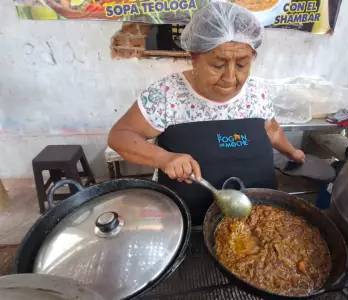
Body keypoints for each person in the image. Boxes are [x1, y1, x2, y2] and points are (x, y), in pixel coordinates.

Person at [108, 2, 305, 225]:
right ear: (194, 57)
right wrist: (163, 158)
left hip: (260, 216)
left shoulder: (256, 91)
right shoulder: (166, 94)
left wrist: (292, 152)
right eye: (218, 65)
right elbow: (120, 135)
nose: (230, 78)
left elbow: (270, 128)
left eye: (241, 65)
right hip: (187, 223)